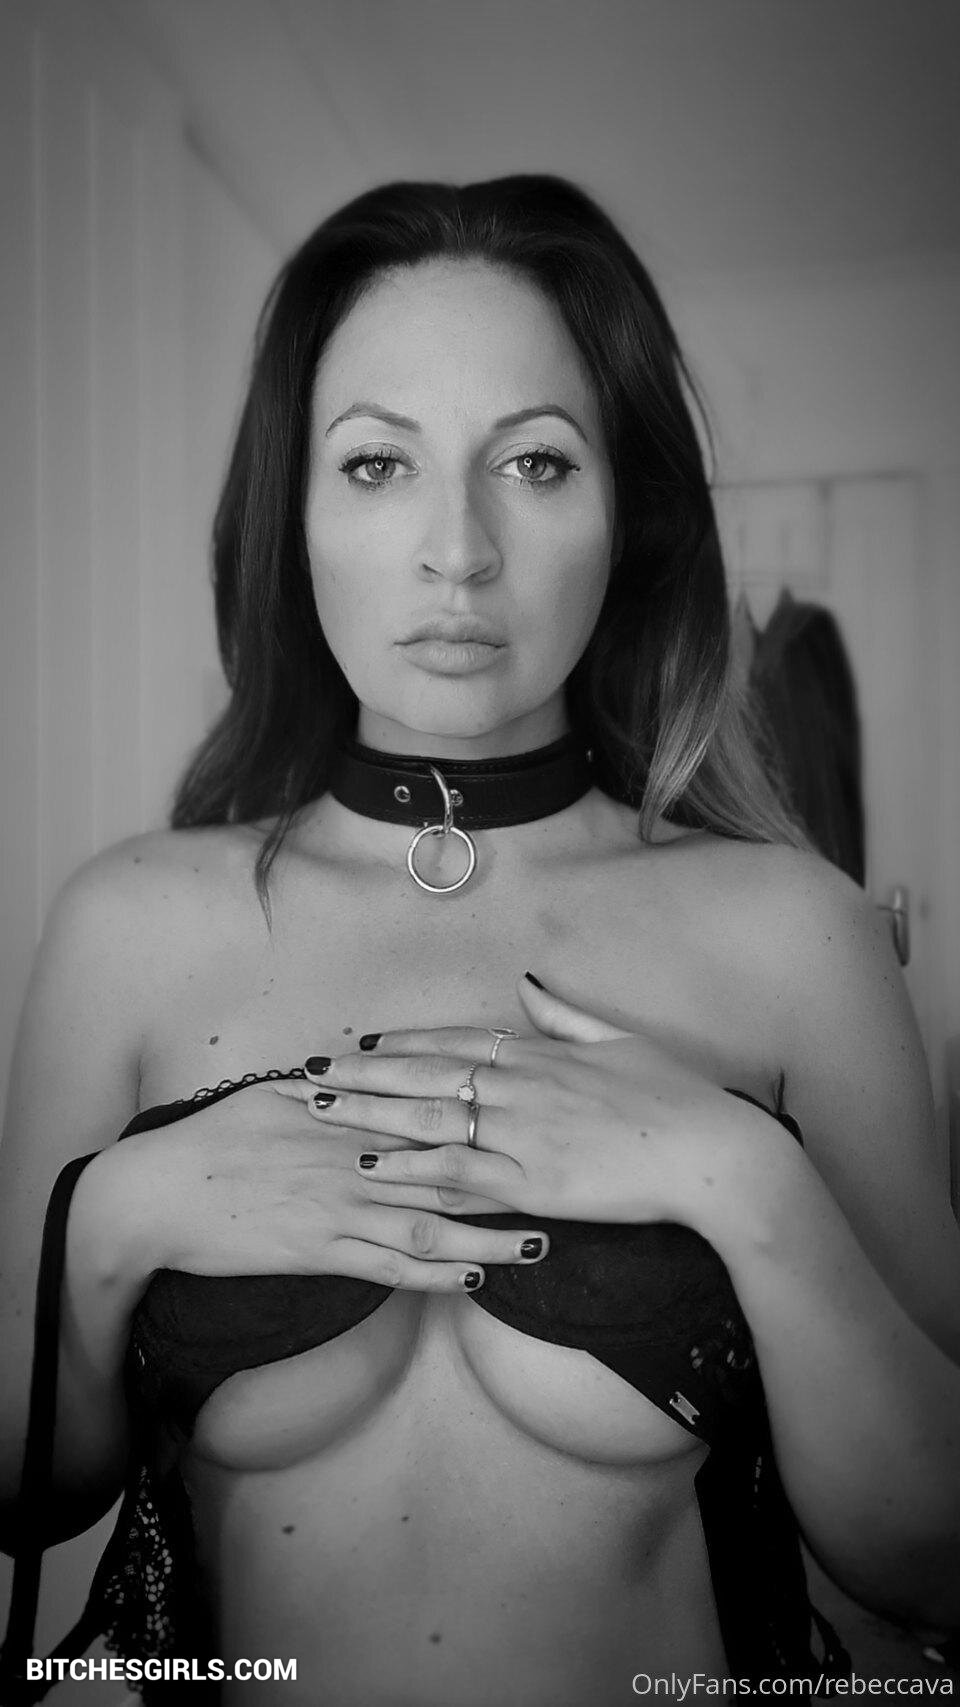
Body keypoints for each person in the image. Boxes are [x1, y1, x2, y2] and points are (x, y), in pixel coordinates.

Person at [2, 175, 959, 1707]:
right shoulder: (125, 926)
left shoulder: (800, 935)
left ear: (631, 513)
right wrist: (112, 1220)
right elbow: (23, 1497)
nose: (459, 551)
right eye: (378, 463)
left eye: (535, 461)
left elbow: (934, 1564)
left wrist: (744, 1182)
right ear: (293, 516)